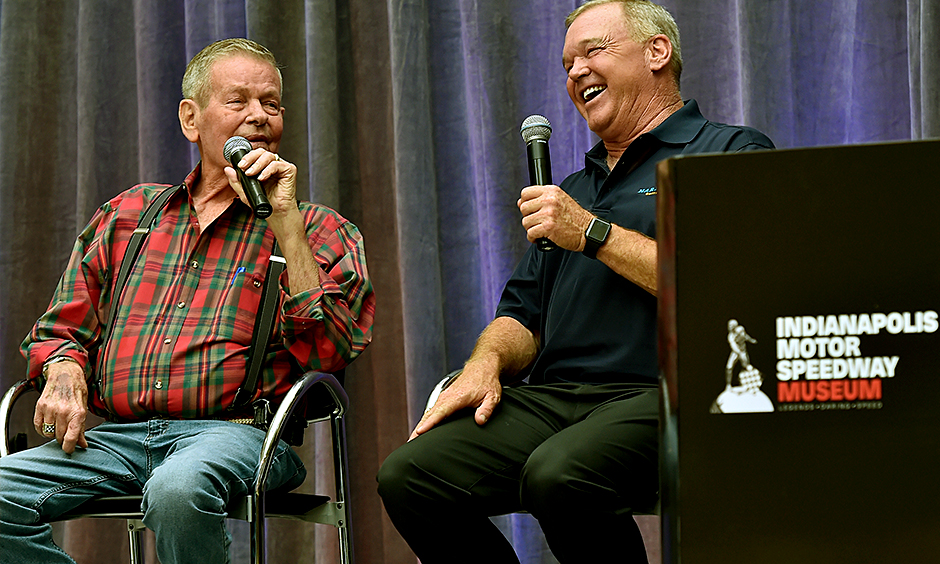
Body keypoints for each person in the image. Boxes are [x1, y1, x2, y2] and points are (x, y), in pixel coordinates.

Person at [377, 1, 773, 562]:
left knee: (558, 473)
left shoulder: (728, 150)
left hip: (669, 392)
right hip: (556, 399)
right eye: (567, 64)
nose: (576, 72)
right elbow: (523, 315)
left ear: (657, 52)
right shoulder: (572, 190)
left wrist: (591, 232)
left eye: (593, 52)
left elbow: (725, 285)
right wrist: (484, 364)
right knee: (410, 474)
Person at [0, 38, 375, 564]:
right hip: (119, 439)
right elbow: (61, 327)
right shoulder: (129, 215)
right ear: (191, 120)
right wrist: (63, 372)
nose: (258, 117)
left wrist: (286, 225)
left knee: (178, 490)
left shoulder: (320, 229)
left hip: (241, 436)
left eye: (271, 104)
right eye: (238, 101)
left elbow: (332, 353)